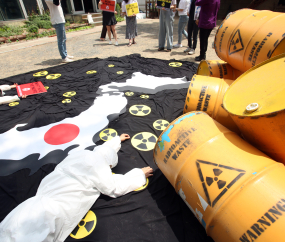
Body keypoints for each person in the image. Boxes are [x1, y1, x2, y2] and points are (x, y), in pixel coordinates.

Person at [0, 133, 153, 242]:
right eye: (110, 167)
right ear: (108, 164)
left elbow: (102, 151)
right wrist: (138, 174)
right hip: (54, 212)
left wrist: (116, 140)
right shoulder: (100, 166)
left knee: (11, 229)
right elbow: (114, 188)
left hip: (34, 203)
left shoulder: (78, 155)